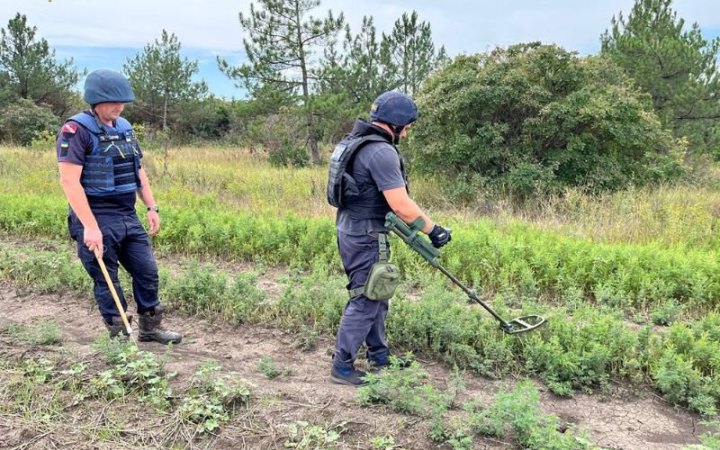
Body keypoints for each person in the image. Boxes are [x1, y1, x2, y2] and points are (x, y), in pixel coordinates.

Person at [327, 91, 452, 385]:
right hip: (366, 233)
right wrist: (434, 230)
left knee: (377, 293)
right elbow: (401, 205)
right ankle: (342, 366)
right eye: (407, 126)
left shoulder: (356, 142)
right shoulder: (381, 152)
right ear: (395, 124)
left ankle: (379, 356)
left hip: (352, 227)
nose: (407, 133)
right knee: (366, 297)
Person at [56, 69, 182, 344]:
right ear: (95, 99)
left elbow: (137, 170)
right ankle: (120, 340)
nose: (120, 106)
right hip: (96, 216)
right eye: (114, 101)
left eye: (123, 101)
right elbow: (69, 181)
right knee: (107, 280)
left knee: (147, 272)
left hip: (127, 214)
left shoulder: (124, 128)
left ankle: (150, 329)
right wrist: (90, 227)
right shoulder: (76, 130)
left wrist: (151, 206)